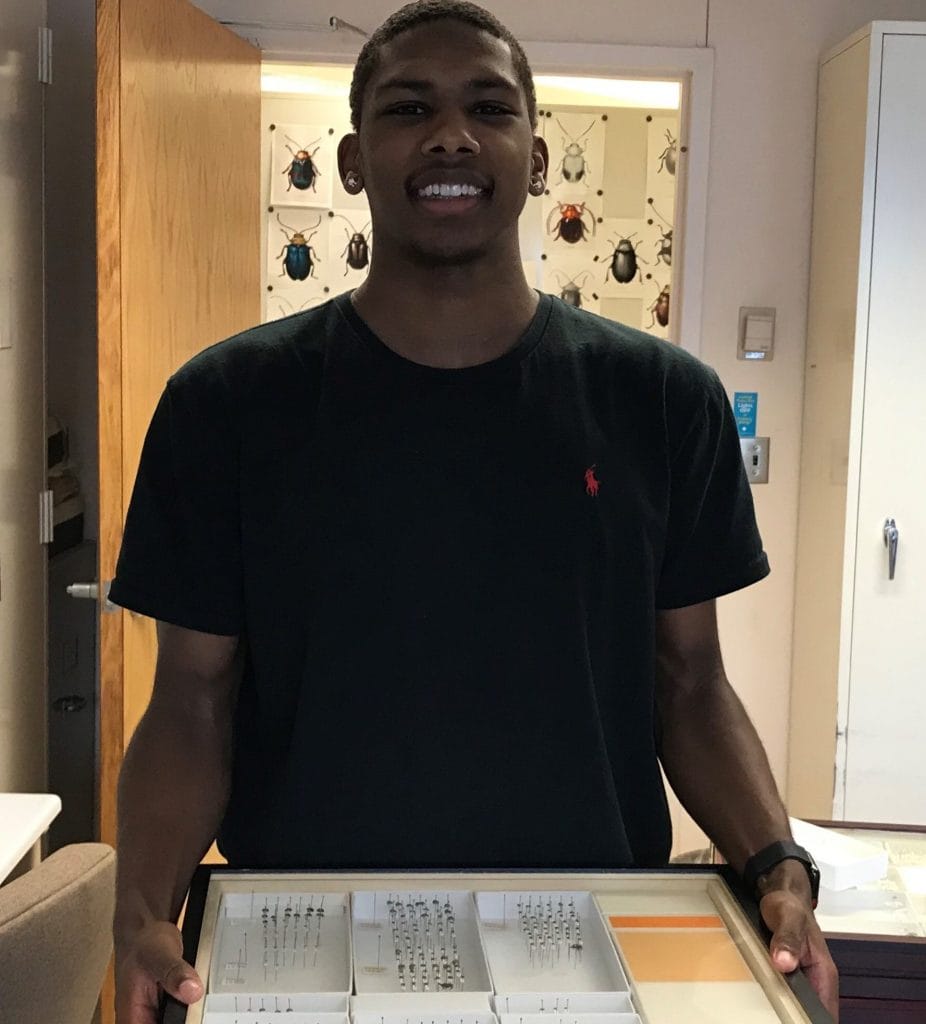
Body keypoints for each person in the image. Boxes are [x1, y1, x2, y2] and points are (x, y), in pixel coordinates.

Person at [110, 2, 839, 1021]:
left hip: (590, 936)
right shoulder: (225, 406)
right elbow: (189, 701)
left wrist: (776, 860)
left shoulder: (661, 402)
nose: (451, 134)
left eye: (487, 108)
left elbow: (691, 683)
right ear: (354, 159)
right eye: (409, 107)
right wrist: (141, 904)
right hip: (308, 940)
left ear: (535, 160)